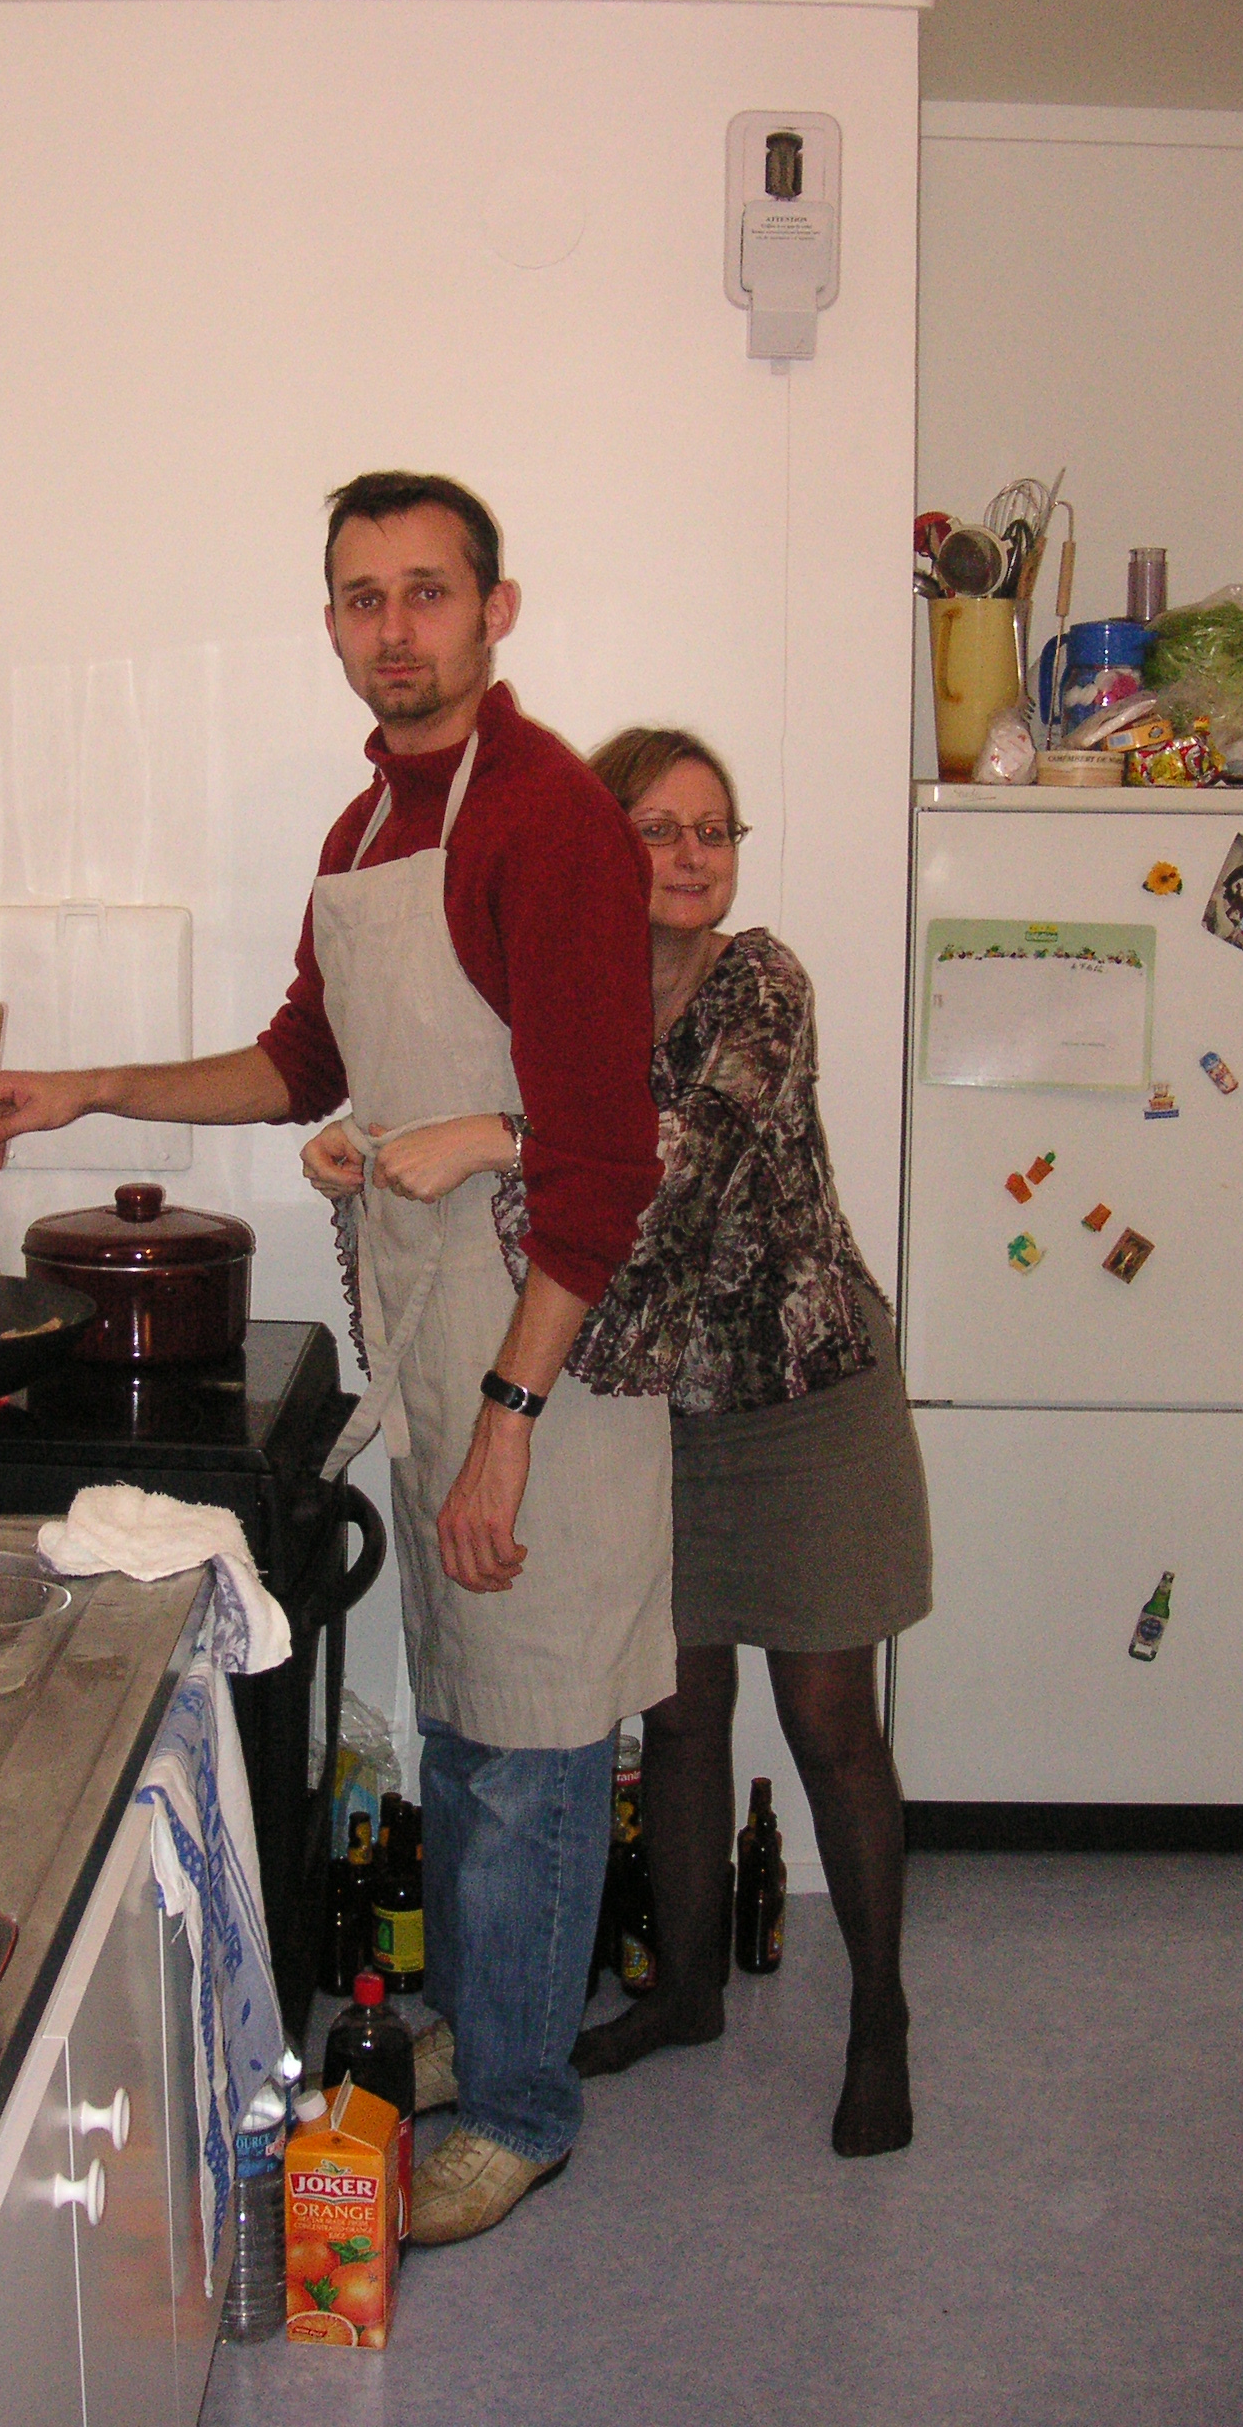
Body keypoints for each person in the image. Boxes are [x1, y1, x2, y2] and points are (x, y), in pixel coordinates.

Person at [0, 472, 675, 2242]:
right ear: (336, 623)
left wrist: (508, 1421)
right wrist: (86, 1089)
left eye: (427, 591)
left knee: (537, 1744)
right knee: (467, 1720)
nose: (394, 628)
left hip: (545, 1353)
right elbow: (301, 1061)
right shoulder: (367, 831)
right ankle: (484, 2031)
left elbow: (604, 1168)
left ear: (496, 609)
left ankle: (519, 2109)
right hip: (435, 1334)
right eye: (363, 597)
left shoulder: (547, 820)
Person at [305, 725, 931, 2156]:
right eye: (659, 829)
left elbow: (674, 1156)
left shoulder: (761, 982)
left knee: (829, 1722)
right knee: (678, 1713)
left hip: (803, 1402)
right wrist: (370, 1141)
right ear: (603, 848)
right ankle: (687, 1994)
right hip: (652, 1408)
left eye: (716, 830)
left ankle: (881, 2019)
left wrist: (493, 1134)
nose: (693, 857)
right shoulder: (565, 989)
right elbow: (520, 1163)